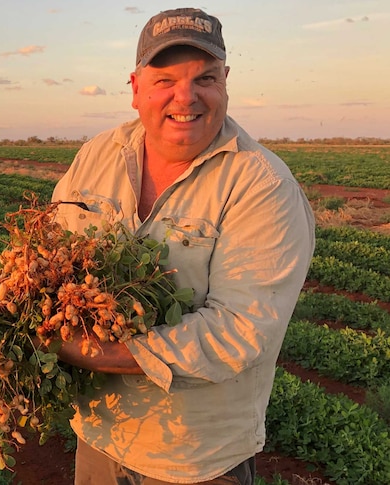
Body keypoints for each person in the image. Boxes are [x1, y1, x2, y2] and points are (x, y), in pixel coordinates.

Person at [50, 7, 315, 485]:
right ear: (135, 89)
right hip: (99, 438)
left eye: (205, 78)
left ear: (226, 82)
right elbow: (53, 251)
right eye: (166, 79)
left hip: (195, 460)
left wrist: (82, 350)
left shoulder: (261, 184)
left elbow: (237, 331)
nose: (186, 97)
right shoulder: (96, 155)